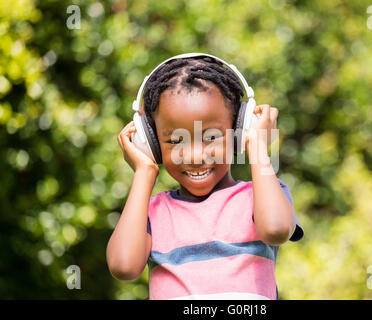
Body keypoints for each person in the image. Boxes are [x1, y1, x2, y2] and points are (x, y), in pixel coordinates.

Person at [107, 54, 304, 300]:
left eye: (210, 137)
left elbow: (275, 230)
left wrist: (257, 147)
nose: (195, 156)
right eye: (176, 140)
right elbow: (123, 266)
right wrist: (143, 173)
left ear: (239, 130)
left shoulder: (262, 196)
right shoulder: (151, 211)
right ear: (152, 143)